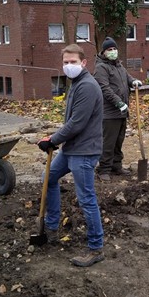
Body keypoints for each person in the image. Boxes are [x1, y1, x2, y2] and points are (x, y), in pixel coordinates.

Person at [37, 44, 105, 268]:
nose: (68, 66)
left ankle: (96, 248)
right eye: (65, 62)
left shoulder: (87, 86)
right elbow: (72, 121)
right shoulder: (76, 83)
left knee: (86, 198)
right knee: (49, 178)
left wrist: (53, 140)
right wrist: (55, 137)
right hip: (71, 148)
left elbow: (77, 123)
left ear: (84, 63)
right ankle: (52, 225)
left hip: (84, 151)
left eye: (73, 62)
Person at [94, 37, 142, 181]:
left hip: (122, 112)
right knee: (108, 142)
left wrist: (133, 81)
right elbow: (104, 88)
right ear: (104, 52)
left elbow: (127, 78)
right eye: (110, 49)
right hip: (109, 113)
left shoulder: (119, 66)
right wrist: (118, 103)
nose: (113, 51)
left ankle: (116, 165)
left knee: (118, 141)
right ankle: (104, 169)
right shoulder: (101, 68)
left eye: (114, 49)